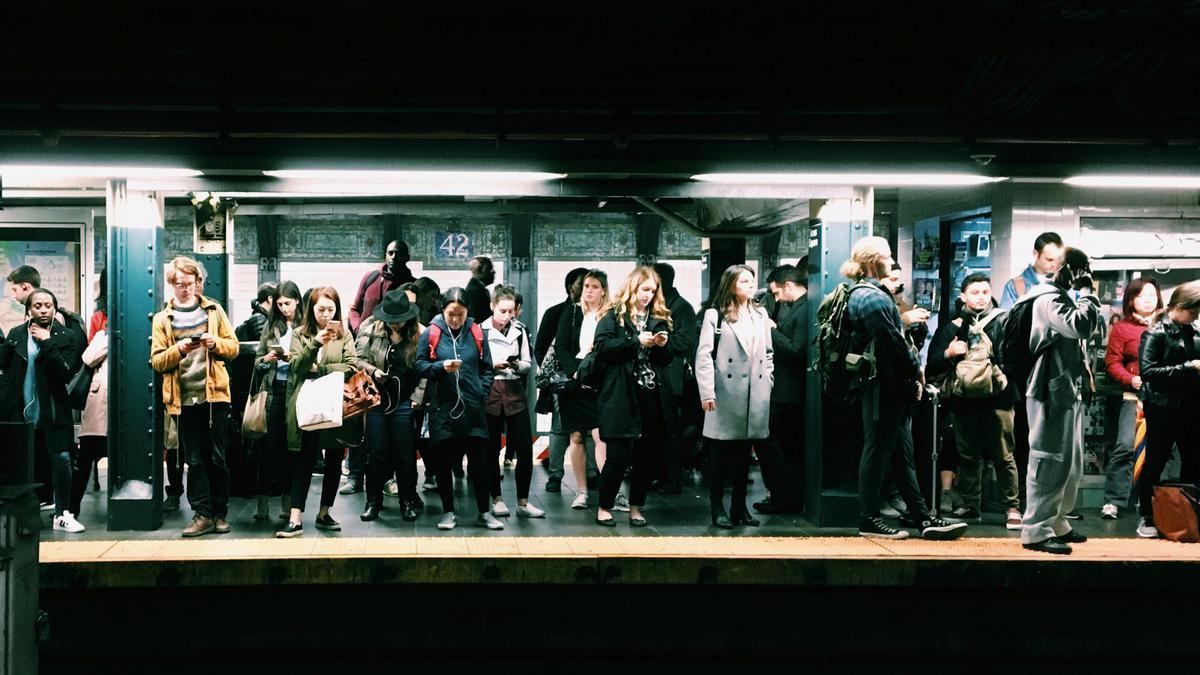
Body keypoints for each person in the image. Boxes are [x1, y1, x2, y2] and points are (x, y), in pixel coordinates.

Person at [843, 237, 967, 540]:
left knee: (901, 455)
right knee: (877, 451)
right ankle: (868, 518)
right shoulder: (871, 298)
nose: (891, 260)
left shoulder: (869, 295)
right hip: (881, 387)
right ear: (874, 261)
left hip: (886, 386)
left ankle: (923, 518)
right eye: (887, 255)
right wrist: (916, 373)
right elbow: (893, 345)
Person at [1016, 246, 1100, 554]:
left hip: (1063, 387)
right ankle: (1036, 529)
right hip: (1047, 387)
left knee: (1070, 462)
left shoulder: (1058, 295)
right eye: (1081, 269)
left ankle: (1058, 520)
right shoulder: (1047, 297)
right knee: (1048, 459)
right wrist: (1088, 292)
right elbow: (1081, 326)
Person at [150, 256, 240, 537]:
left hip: (215, 398)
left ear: (198, 282)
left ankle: (220, 514)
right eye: (179, 284)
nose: (186, 288)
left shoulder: (214, 310)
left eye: (190, 283)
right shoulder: (163, 319)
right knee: (195, 461)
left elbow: (233, 347)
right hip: (183, 399)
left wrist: (215, 345)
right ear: (171, 285)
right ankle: (202, 514)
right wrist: (181, 350)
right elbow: (157, 361)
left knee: (218, 458)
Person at [925, 273, 1022, 530]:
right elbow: (933, 361)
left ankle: (1012, 507)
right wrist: (949, 352)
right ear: (963, 296)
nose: (981, 296)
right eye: (975, 292)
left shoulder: (1003, 321)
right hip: (964, 401)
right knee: (968, 456)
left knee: (1004, 455)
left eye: (985, 291)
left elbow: (1016, 358)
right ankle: (971, 505)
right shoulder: (953, 326)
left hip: (998, 399)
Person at [593, 266, 676, 527]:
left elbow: (666, 359)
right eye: (644, 290)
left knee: (647, 454)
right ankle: (604, 506)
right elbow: (603, 347)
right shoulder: (614, 316)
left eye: (653, 291)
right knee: (618, 454)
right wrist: (636, 341)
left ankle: (636, 507)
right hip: (620, 393)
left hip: (650, 393)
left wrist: (663, 345)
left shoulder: (657, 318)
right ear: (633, 288)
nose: (648, 295)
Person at [415, 287, 500, 530]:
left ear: (467, 312)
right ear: (443, 311)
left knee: (479, 463)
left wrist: (481, 393)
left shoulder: (476, 332)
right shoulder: (431, 333)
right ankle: (448, 512)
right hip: (442, 408)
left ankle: (484, 512)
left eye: (460, 314)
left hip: (473, 409)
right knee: (443, 463)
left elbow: (487, 368)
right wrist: (441, 366)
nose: (455, 319)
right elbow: (420, 366)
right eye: (451, 314)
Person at [696, 265, 773, 529]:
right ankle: (717, 508)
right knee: (719, 455)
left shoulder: (760, 314)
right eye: (743, 280)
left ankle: (739, 508)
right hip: (725, 393)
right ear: (730, 284)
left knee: (743, 456)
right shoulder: (715, 315)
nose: (750, 284)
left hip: (755, 393)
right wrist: (707, 391)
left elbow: (768, 353)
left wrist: (768, 381)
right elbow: (704, 356)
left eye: (752, 280)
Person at [277, 287, 358, 537]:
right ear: (311, 309)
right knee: (304, 459)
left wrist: (320, 369)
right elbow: (297, 367)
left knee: (334, 459)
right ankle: (295, 518)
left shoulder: (343, 334)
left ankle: (324, 513)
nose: (325, 314)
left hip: (334, 404)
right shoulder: (300, 334)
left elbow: (351, 366)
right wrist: (315, 343)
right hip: (309, 404)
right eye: (320, 309)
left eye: (330, 309)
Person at [0, 288, 84, 532]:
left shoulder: (66, 336)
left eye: (48, 305)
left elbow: (66, 372)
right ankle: (23, 515)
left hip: (53, 413)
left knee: (62, 460)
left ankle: (63, 513)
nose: (43, 309)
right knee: (23, 466)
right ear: (29, 310)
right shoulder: (16, 334)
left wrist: (47, 343)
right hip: (21, 414)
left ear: (55, 308)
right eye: (38, 305)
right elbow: (4, 366)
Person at [1135, 280, 1200, 539]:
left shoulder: (1193, 332)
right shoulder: (1156, 333)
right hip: (1161, 406)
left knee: (1193, 459)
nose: (1195, 317)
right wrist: (1188, 367)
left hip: (1190, 405)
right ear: (1180, 306)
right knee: (1156, 460)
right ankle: (1147, 515)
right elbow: (1148, 372)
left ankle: (1185, 511)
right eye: (1193, 311)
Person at [355, 289, 423, 522]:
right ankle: (373, 502)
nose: (395, 325)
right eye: (391, 321)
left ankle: (407, 501)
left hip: (404, 401)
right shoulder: (371, 331)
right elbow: (357, 359)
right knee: (375, 454)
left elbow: (424, 370)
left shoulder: (418, 335)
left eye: (400, 320)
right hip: (377, 401)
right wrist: (374, 371)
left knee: (405, 454)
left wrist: (418, 397)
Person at [1102, 277, 1163, 520]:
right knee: (1125, 447)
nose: (1149, 300)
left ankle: (1154, 500)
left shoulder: (1166, 325)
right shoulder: (1122, 329)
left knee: (1161, 451)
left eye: (1152, 294)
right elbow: (1112, 362)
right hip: (1133, 397)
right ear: (1131, 300)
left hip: (1163, 398)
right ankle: (1114, 500)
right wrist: (1130, 378)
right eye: (1142, 296)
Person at [555, 269, 616, 511]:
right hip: (575, 377)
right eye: (586, 286)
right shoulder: (571, 312)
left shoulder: (610, 316)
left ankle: (609, 490)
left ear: (603, 290)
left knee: (601, 434)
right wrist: (574, 371)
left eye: (594, 286)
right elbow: (560, 345)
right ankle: (582, 491)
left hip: (601, 378)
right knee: (576, 435)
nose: (588, 290)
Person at [482, 285, 544, 518]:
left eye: (511, 311)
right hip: (491, 390)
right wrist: (492, 365)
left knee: (524, 449)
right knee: (491, 449)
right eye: (503, 311)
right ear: (492, 307)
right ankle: (496, 498)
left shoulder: (520, 330)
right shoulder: (481, 330)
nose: (508, 316)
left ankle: (523, 501)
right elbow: (475, 364)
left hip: (515, 389)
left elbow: (529, 363)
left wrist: (517, 364)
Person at [752, 262, 809, 515]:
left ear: (788, 285)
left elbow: (797, 349)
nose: (776, 298)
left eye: (776, 292)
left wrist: (771, 331)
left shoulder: (803, 308)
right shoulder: (796, 307)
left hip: (788, 390)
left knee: (770, 441)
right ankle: (784, 495)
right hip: (789, 388)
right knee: (783, 444)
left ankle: (782, 495)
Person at [535, 267, 592, 493]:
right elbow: (541, 348)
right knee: (560, 427)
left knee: (587, 427)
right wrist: (555, 374)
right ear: (571, 287)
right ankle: (555, 474)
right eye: (583, 284)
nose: (587, 289)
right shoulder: (556, 313)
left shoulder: (596, 314)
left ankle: (590, 472)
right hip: (562, 379)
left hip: (587, 377)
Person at [251, 281, 303, 521]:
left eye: (288, 303)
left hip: (297, 391)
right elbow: (258, 360)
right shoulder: (272, 325)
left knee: (290, 448)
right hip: (274, 390)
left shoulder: (305, 325)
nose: (284, 308)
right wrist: (268, 359)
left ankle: (286, 500)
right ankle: (262, 499)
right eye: (280, 304)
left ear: (297, 302)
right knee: (268, 447)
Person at [651, 262, 697, 495]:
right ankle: (659, 475)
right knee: (658, 430)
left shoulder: (682, 308)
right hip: (658, 376)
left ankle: (672, 478)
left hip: (671, 378)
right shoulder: (659, 305)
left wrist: (660, 341)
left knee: (670, 429)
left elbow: (686, 341)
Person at [71, 270, 109, 521]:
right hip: (100, 396)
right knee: (86, 456)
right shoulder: (100, 318)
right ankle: (71, 509)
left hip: (108, 396)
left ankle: (71, 509)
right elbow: (88, 356)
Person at [349, 240, 416, 334]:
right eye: (390, 253)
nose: (394, 257)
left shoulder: (412, 286)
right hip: (364, 341)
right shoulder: (370, 278)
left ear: (407, 257)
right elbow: (354, 309)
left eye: (399, 254)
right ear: (385, 255)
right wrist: (358, 328)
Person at [1000, 231, 1064, 310]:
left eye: (1058, 260)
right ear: (1035, 254)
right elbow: (1004, 320)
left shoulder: (1069, 285)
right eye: (1049, 259)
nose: (1054, 264)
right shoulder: (1014, 286)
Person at [466, 256, 495, 324]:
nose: (493, 272)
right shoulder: (473, 292)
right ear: (478, 271)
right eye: (489, 269)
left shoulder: (479, 289)